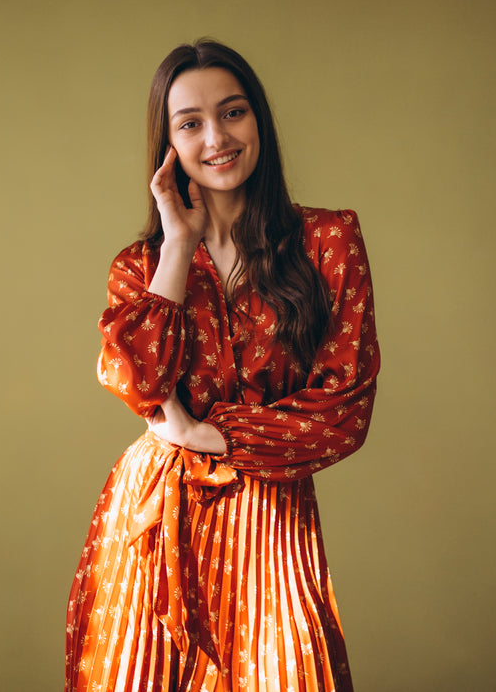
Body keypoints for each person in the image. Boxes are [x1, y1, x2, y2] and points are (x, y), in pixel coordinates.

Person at [65, 39, 379, 692]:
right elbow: (139, 382)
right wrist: (176, 244)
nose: (217, 136)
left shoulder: (327, 241)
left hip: (272, 525)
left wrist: (214, 435)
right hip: (157, 524)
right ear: (168, 143)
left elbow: (343, 409)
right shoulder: (138, 267)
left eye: (232, 112)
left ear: (258, 119)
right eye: (190, 123)